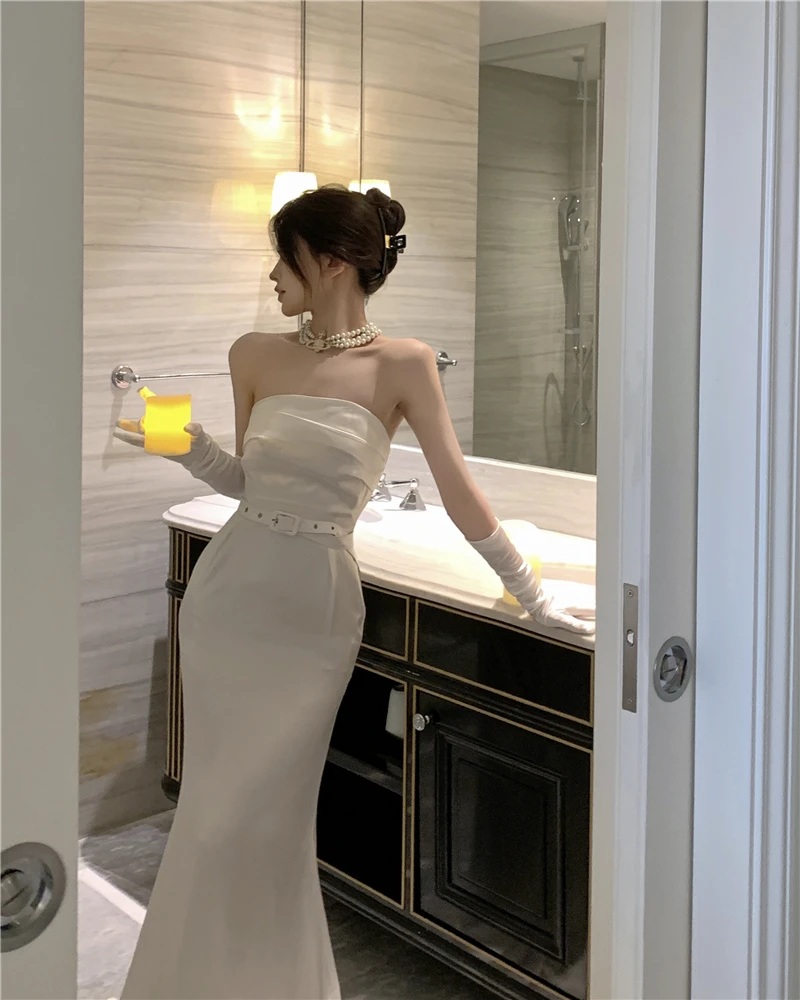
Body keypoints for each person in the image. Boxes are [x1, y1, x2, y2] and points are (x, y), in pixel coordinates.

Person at [115, 185, 593, 1000]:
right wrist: (188, 449)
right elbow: (248, 480)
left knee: (269, 816)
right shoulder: (252, 353)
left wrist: (532, 593)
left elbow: (459, 492)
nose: (272, 275)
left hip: (313, 608)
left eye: (284, 257)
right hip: (231, 596)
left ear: (332, 261)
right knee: (212, 810)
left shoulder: (404, 364)